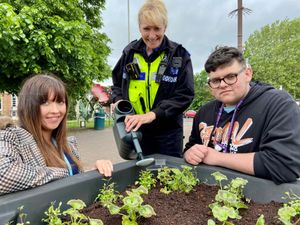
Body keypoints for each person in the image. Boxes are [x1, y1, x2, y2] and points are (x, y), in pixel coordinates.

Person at [183, 46, 300, 184]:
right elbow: (190, 148)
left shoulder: (278, 104)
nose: (223, 85)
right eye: (215, 80)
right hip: (205, 189)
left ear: (248, 74)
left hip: (257, 197)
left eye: (230, 77)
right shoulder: (204, 112)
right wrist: (189, 154)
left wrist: (217, 157)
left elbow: (284, 165)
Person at [0, 74, 113, 195]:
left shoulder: (68, 144)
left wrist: (95, 170)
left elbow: (76, 182)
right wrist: (63, 173)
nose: (55, 110)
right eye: (45, 103)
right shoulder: (11, 137)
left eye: (60, 102)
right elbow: (3, 175)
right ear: (28, 106)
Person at [111, 0, 194, 157]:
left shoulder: (179, 54)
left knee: (168, 176)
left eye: (157, 29)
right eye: (146, 29)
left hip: (168, 133)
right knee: (138, 177)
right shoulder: (129, 52)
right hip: (136, 130)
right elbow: (116, 84)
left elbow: (185, 94)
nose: (151, 35)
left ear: (165, 27)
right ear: (139, 28)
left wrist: (153, 115)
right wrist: (119, 100)